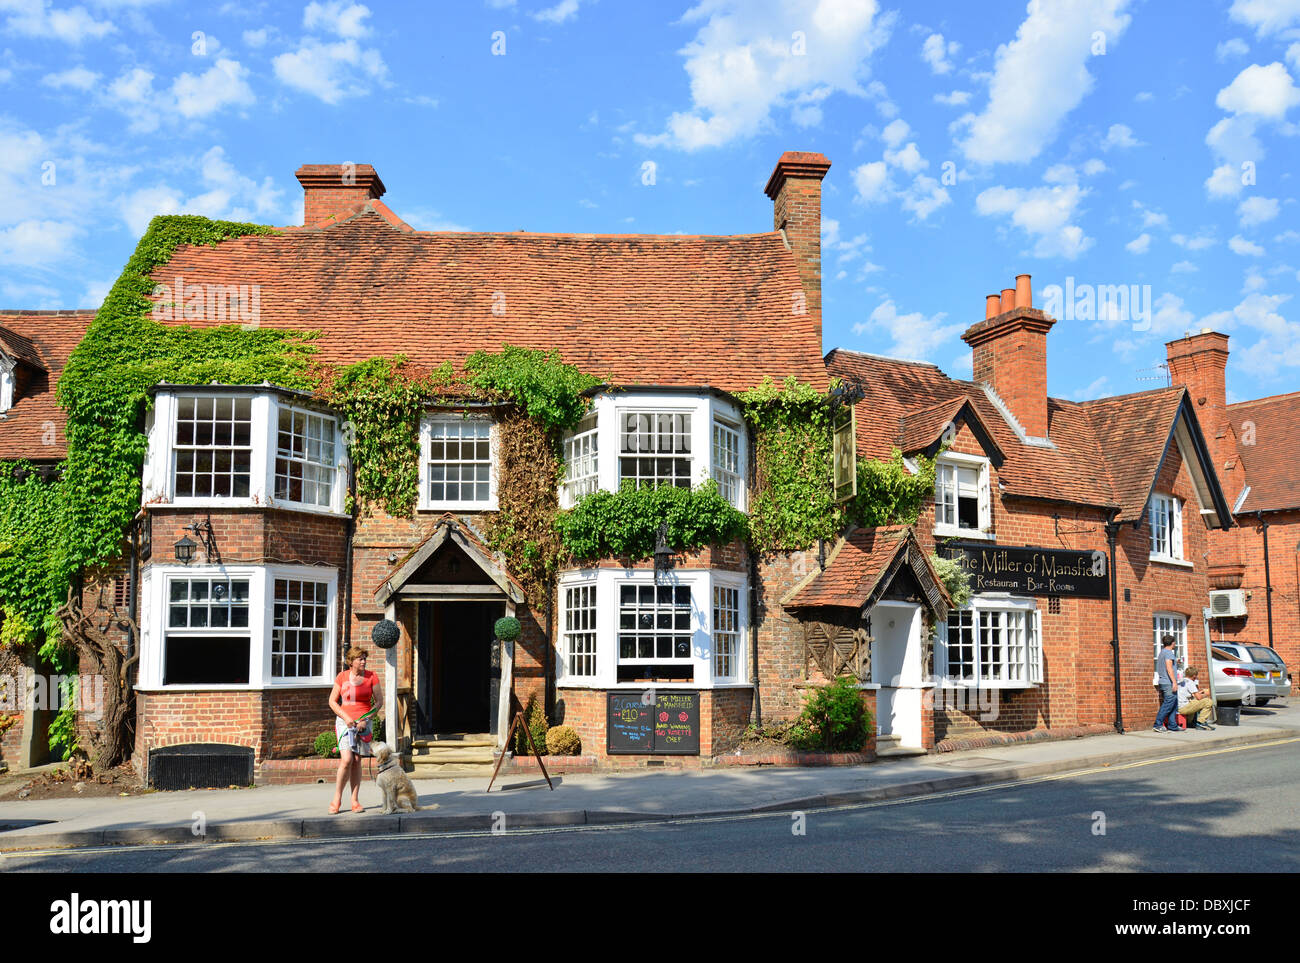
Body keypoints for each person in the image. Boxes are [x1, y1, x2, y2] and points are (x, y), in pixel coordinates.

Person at [329, 646, 379, 813]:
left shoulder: (372, 677)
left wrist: (366, 719)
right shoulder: (342, 677)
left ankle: (355, 800)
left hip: (364, 723)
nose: (364, 661)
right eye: (360, 659)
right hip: (345, 723)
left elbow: (378, 702)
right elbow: (332, 701)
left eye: (365, 658)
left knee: (357, 761)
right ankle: (336, 799)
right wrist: (346, 718)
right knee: (347, 759)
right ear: (351, 662)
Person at [1153, 635, 1181, 732]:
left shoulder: (1162, 653)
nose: (1175, 644)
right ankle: (1158, 724)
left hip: (1164, 681)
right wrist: (1174, 682)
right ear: (1172, 643)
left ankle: (1173, 725)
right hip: (1168, 682)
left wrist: (1176, 662)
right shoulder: (1169, 653)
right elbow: (1169, 669)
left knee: (1173, 704)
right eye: (1174, 642)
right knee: (1168, 704)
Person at [1177, 665, 1216, 730]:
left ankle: (1190, 723)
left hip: (1179, 706)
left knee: (1195, 702)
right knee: (1208, 701)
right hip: (1184, 708)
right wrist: (1206, 694)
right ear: (1194, 675)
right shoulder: (1190, 682)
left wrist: (1200, 693)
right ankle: (1201, 722)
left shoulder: (1181, 681)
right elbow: (1199, 698)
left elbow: (1191, 694)